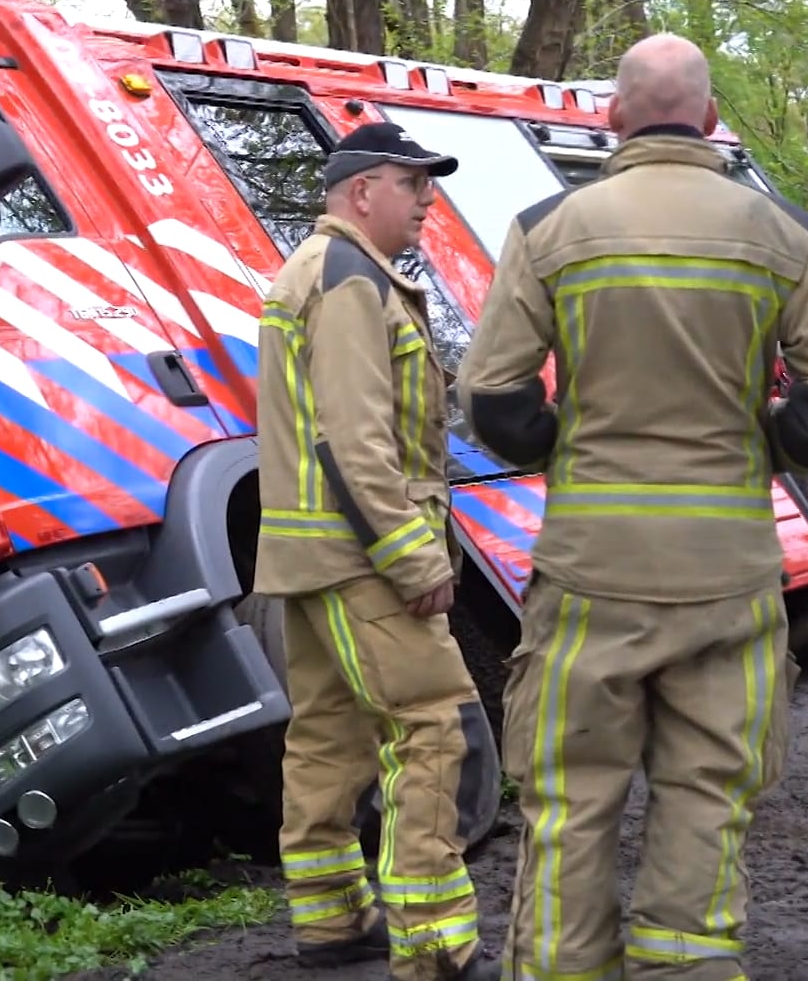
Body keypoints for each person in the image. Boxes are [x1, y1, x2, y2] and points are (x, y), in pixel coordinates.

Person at [454, 32, 808, 980]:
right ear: (711, 119)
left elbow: (492, 399)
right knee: (707, 797)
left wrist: (568, 448)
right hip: (727, 571)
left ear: (612, 117)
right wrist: (762, 447)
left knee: (570, 803)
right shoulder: (783, 233)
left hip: (591, 571)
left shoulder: (549, 229)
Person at [253, 121, 499, 981]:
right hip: (362, 560)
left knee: (328, 736)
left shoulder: (319, 270)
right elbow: (352, 440)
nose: (429, 200)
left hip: (315, 556)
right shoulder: (350, 279)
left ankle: (331, 921)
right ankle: (434, 945)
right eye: (413, 182)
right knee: (432, 725)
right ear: (363, 191)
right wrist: (412, 558)